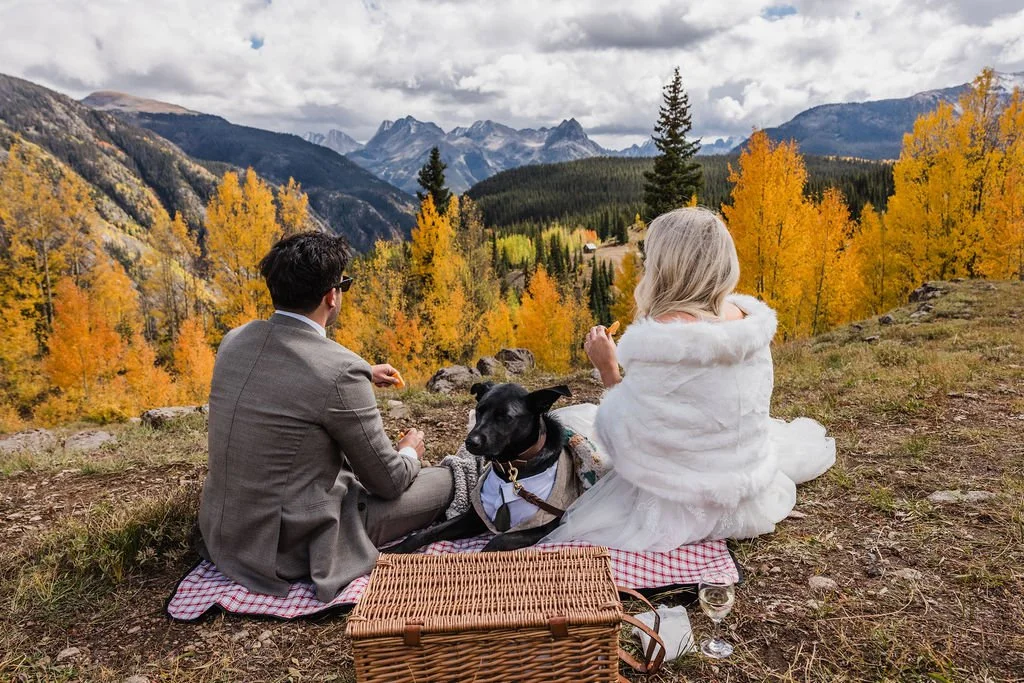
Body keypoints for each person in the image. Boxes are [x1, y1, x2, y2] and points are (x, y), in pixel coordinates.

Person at [545, 207, 835, 551]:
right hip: (750, 486)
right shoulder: (746, 319)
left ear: (667, 267)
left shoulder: (663, 339)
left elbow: (629, 439)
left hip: (679, 503)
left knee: (569, 421)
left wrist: (608, 368)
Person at [196, 231, 454, 602]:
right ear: (331, 295)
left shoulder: (235, 340)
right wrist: (411, 450)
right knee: (448, 479)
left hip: (229, 533)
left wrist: (361, 370)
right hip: (290, 545)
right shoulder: (339, 371)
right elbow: (389, 482)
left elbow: (288, 370)